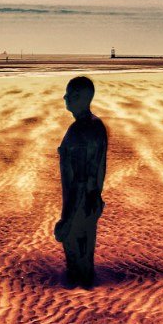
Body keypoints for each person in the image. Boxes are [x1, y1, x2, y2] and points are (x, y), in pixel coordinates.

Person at [54, 76, 108, 288]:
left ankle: (79, 297)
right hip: (92, 202)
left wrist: (67, 219)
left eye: (68, 94)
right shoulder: (97, 125)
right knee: (86, 252)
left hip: (79, 204)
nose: (65, 97)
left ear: (79, 98)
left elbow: (80, 178)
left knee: (76, 255)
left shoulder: (79, 131)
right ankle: (86, 285)